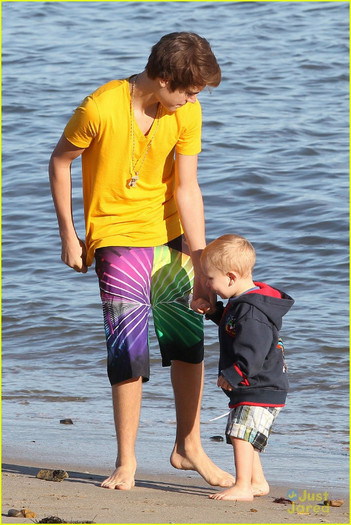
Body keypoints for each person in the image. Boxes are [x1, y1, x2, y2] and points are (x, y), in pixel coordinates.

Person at [49, 32, 235, 491]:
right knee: (128, 348)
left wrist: (201, 259)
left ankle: (188, 446)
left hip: (169, 232)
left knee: (187, 343)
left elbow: (187, 188)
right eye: (188, 91)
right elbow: (59, 161)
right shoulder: (100, 107)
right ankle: (126, 461)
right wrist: (69, 235)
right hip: (114, 235)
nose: (193, 100)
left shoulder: (186, 112)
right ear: (164, 78)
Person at [193, 234, 294, 501]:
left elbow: (255, 349)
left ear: (231, 277)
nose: (207, 285)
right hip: (259, 385)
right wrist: (215, 313)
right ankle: (257, 482)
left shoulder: (251, 312)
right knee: (246, 434)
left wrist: (235, 374)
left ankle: (242, 487)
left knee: (240, 434)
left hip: (259, 385)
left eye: (210, 279)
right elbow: (235, 331)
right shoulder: (243, 305)